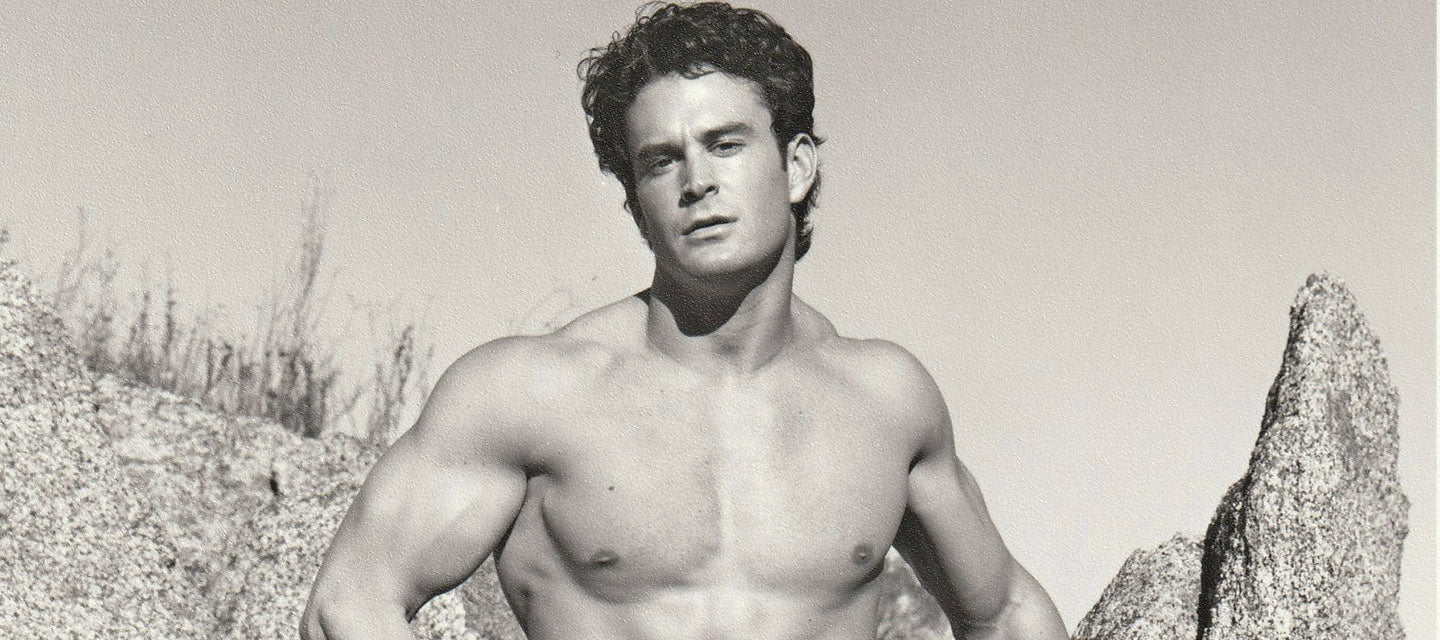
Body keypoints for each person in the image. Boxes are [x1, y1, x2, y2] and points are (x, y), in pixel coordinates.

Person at [301, 3, 1068, 639]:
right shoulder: (528, 394)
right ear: (637, 203)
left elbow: (1006, 613)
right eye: (661, 161)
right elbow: (351, 601)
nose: (696, 181)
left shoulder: (885, 401)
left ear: (797, 167)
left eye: (725, 145)